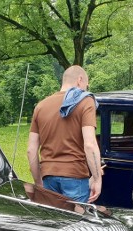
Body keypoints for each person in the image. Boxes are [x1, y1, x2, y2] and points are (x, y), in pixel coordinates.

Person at [27, 65, 102, 203]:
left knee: (55, 222)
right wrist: (97, 179)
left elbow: (31, 150)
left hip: (48, 176)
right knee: (76, 223)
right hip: (75, 176)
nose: (86, 88)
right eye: (86, 84)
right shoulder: (85, 101)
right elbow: (90, 145)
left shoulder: (41, 106)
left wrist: (38, 182)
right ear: (80, 80)